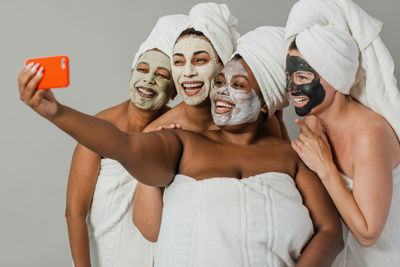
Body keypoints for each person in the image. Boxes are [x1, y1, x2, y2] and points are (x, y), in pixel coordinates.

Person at [18, 26, 342, 267]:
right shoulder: (182, 142)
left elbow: (330, 231)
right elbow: (123, 145)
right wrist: (56, 112)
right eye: (220, 82)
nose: (222, 92)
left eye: (238, 84)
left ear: (266, 104)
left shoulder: (291, 156)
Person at [133, 3, 288, 241]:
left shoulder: (256, 121)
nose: (188, 73)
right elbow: (151, 231)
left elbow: (286, 191)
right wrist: (152, 165)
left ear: (222, 65)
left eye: (200, 60)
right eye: (178, 61)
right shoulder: (157, 132)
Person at [64, 14, 189, 267]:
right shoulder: (101, 127)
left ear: (175, 90)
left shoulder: (177, 126)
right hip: (107, 253)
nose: (149, 79)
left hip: (160, 254)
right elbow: (75, 213)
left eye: (162, 74)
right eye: (142, 70)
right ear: (131, 73)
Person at [284, 0, 400, 266]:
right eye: (288, 76)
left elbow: (368, 233)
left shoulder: (370, 135)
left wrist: (326, 167)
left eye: (302, 77)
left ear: (334, 77)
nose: (291, 87)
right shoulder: (314, 123)